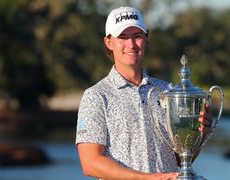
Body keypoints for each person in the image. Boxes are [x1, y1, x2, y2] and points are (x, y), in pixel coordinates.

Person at [76, 6, 212, 180]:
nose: (131, 44)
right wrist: (147, 178)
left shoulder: (169, 92)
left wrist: (199, 134)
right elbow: (90, 163)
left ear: (146, 38)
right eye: (122, 37)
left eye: (137, 36)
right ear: (108, 42)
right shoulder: (96, 96)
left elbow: (181, 159)